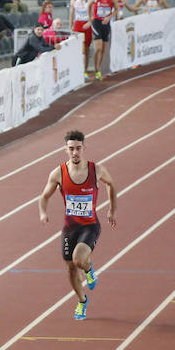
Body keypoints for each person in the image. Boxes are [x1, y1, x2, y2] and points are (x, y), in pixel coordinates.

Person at [38, 130, 117, 321]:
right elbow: (43, 197)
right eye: (71, 149)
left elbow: (111, 184)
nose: (75, 152)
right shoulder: (58, 173)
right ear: (66, 149)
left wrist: (112, 210)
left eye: (78, 148)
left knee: (79, 260)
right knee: (71, 268)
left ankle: (89, 270)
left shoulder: (96, 170)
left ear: (84, 148)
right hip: (70, 228)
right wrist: (43, 212)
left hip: (90, 226)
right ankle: (82, 301)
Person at [86, 0, 117, 80]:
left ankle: (98, 70)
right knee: (98, 48)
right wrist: (90, 19)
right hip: (97, 23)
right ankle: (96, 69)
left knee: (103, 49)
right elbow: (88, 6)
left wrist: (109, 17)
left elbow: (117, 9)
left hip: (106, 24)